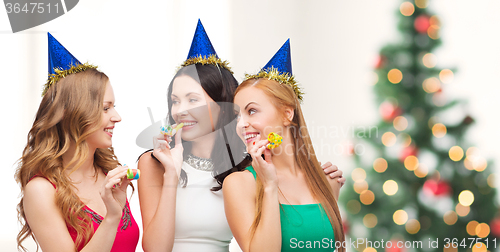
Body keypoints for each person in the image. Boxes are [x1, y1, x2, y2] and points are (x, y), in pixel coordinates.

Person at [138, 20, 344, 252]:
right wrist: (171, 175)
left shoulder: (246, 165)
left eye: (192, 99)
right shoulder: (155, 162)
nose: (179, 110)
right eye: (175, 101)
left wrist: (318, 178)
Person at [15, 33, 139, 252]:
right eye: (105, 108)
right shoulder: (42, 190)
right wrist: (112, 218)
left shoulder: (109, 173)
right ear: (70, 113)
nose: (117, 117)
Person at [223, 39, 345, 252]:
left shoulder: (325, 181)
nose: (241, 124)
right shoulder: (239, 183)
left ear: (287, 114)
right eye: (237, 115)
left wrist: (329, 187)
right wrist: (269, 185)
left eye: (252, 111)